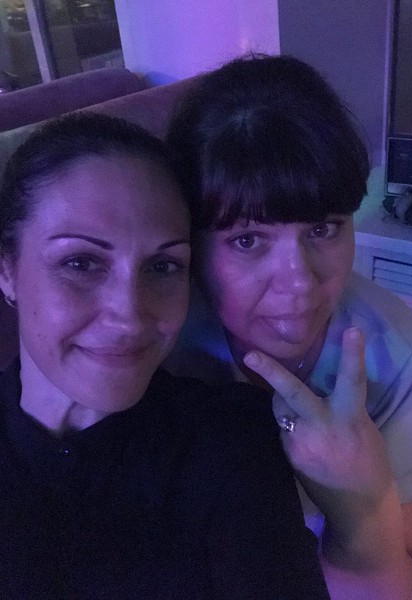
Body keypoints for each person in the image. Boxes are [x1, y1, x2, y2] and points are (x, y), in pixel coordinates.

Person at [0, 112, 331, 599]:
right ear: (7, 270)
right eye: (81, 263)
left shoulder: (230, 442)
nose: (130, 316)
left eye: (162, 266)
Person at [165, 54, 412, 594]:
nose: (300, 283)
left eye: (322, 229)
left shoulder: (409, 369)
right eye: (248, 240)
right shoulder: (158, 340)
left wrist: (360, 506)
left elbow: (397, 574)